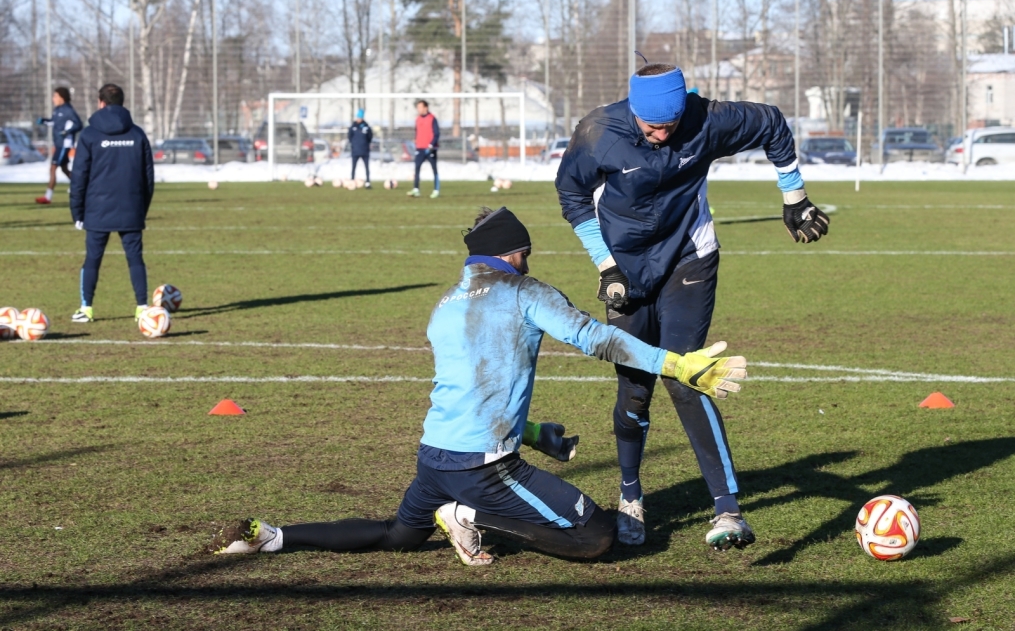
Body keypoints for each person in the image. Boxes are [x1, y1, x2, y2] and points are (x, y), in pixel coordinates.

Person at [214, 206, 747, 565]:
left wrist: (534, 430)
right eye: (527, 253)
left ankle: (272, 535)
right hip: (484, 470)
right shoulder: (522, 290)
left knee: (398, 535)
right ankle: (467, 515)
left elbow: (468, 387)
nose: (528, 261)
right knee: (597, 536)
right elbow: (597, 338)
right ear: (514, 255)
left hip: (434, 456)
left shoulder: (445, 304)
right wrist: (677, 365)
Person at [556, 61, 830, 550]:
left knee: (688, 375)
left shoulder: (709, 120)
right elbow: (571, 192)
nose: (661, 134)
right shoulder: (598, 132)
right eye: (651, 126)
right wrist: (605, 265)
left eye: (670, 124)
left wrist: (795, 197)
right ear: (634, 112)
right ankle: (631, 497)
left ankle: (729, 511)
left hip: (690, 259)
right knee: (634, 391)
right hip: (627, 272)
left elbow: (773, 123)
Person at [69, 83, 155, 324]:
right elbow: (148, 177)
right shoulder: (137, 134)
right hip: (131, 207)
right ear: (122, 103)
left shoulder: (89, 134)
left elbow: (79, 176)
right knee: (135, 258)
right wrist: (141, 208)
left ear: (101, 102)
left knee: (93, 258)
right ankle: (142, 307)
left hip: (97, 209)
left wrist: (77, 211)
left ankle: (86, 309)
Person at [36, 87, 83, 205]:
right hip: (58, 144)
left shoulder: (68, 110)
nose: (53, 99)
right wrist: (44, 121)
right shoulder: (57, 110)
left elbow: (79, 124)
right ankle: (82, 186)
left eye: (55, 96)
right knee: (64, 169)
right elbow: (54, 122)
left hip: (64, 144)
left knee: (53, 168)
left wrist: (66, 132)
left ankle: (48, 197)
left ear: (62, 97)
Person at [407, 99, 440, 199]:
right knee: (417, 168)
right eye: (418, 107)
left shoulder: (432, 118)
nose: (419, 109)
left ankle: (436, 190)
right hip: (420, 148)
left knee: (434, 170)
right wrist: (416, 140)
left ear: (426, 107)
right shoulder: (417, 119)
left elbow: (436, 133)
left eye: (420, 107)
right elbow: (417, 132)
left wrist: (431, 144)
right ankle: (416, 189)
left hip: (430, 149)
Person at [348, 108, 372, 189]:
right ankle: (352, 181)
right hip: (355, 150)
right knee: (353, 167)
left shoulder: (366, 126)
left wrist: (366, 144)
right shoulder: (353, 126)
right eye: (358, 117)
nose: (359, 119)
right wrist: (354, 144)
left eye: (360, 117)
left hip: (365, 150)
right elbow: (349, 136)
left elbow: (370, 136)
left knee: (367, 167)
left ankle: (368, 182)